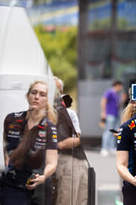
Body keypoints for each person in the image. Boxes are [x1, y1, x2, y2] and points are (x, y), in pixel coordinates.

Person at [1, 81, 58, 205]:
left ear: (46, 100)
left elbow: (52, 163)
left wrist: (43, 177)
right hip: (13, 185)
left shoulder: (49, 127)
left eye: (42, 94)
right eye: (34, 92)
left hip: (39, 186)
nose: (37, 97)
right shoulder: (12, 119)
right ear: (28, 96)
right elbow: (5, 146)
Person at [53, 77, 88, 205]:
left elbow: (77, 138)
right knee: (66, 199)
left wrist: (57, 144)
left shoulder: (69, 113)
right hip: (61, 161)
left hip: (75, 159)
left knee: (80, 198)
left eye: (58, 91)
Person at [100, 80, 123, 156]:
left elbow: (118, 105)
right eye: (120, 86)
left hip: (116, 115)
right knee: (108, 131)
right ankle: (104, 148)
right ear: (117, 85)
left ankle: (111, 148)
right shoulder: (109, 92)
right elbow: (103, 101)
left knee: (114, 132)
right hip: (110, 114)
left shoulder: (117, 94)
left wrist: (123, 100)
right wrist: (103, 112)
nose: (121, 88)